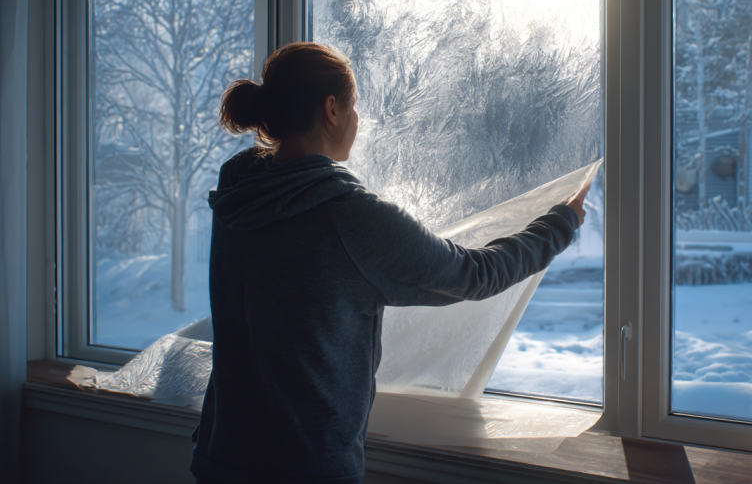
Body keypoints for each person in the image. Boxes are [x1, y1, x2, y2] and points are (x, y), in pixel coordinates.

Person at [190, 42, 590, 484]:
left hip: (221, 455)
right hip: (303, 467)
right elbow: (476, 275)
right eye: (354, 105)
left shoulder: (238, 188)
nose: (357, 119)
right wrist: (561, 222)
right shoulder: (349, 216)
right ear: (332, 109)